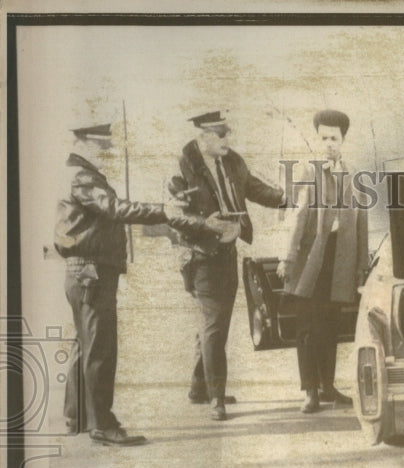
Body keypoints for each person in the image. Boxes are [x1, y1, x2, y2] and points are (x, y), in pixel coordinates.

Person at [54, 122, 227, 445]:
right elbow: (116, 209)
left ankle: (76, 415)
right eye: (104, 146)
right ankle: (103, 425)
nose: (108, 152)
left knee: (86, 345)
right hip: (92, 273)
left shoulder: (79, 174)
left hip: (84, 273)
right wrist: (164, 211)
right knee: (101, 349)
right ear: (86, 143)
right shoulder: (84, 177)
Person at [168, 111, 285, 421]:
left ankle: (199, 387)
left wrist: (288, 199)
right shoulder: (182, 167)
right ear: (202, 137)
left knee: (213, 327)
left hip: (227, 256)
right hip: (200, 257)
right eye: (220, 135)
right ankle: (216, 398)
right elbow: (174, 217)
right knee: (213, 327)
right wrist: (207, 226)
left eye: (227, 133)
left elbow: (256, 189)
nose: (226, 140)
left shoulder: (232, 162)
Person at [277, 109, 368, 413]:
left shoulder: (353, 177)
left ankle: (328, 387)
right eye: (323, 138)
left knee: (330, 324)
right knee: (308, 325)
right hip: (309, 263)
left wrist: (360, 268)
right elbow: (297, 219)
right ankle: (310, 390)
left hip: (338, 261)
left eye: (334, 138)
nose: (328, 143)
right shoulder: (307, 172)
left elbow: (361, 224)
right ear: (316, 140)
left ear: (343, 141)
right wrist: (288, 259)